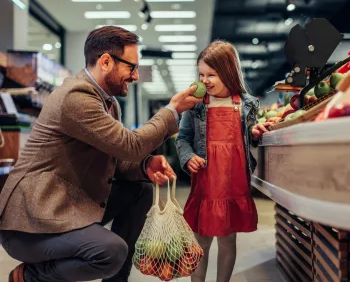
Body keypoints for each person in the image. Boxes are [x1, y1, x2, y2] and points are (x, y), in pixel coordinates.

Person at [0, 26, 202, 282]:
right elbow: (131, 145)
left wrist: (145, 166)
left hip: (64, 208)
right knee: (110, 251)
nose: (136, 76)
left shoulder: (107, 103)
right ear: (106, 61)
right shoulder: (76, 97)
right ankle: (30, 277)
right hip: (30, 225)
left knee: (141, 191)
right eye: (132, 67)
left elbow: (116, 161)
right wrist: (171, 111)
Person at [175, 40, 267, 282]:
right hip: (206, 183)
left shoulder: (246, 104)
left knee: (228, 239)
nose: (204, 80)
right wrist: (188, 157)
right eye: (201, 74)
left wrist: (256, 132)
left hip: (233, 183)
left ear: (228, 72)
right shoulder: (195, 106)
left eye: (211, 74)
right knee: (201, 240)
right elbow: (182, 139)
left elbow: (250, 136)